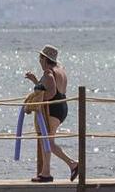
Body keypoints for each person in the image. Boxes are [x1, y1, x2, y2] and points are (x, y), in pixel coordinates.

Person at [24, 44, 79, 183]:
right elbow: (50, 88)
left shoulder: (48, 72)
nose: (39, 61)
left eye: (40, 58)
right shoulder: (60, 70)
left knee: (47, 141)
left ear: (44, 59)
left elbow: (50, 92)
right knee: (47, 140)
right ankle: (46, 172)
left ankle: (71, 164)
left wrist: (36, 101)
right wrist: (35, 81)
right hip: (61, 106)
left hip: (53, 108)